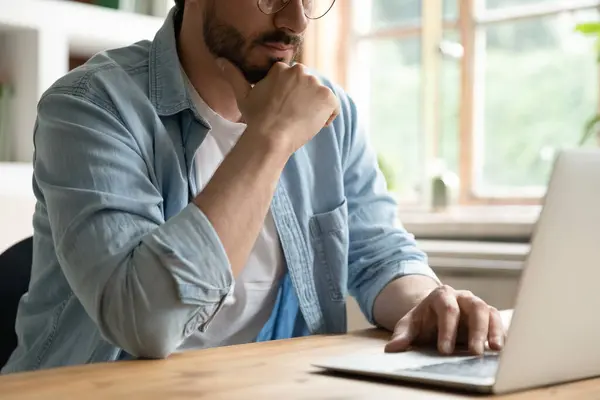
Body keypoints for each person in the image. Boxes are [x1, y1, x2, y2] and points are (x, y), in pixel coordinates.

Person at [1, 0, 506, 374]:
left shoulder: (333, 112)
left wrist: (431, 304)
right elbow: (147, 320)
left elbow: (378, 256)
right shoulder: (90, 106)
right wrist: (272, 137)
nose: (295, 20)